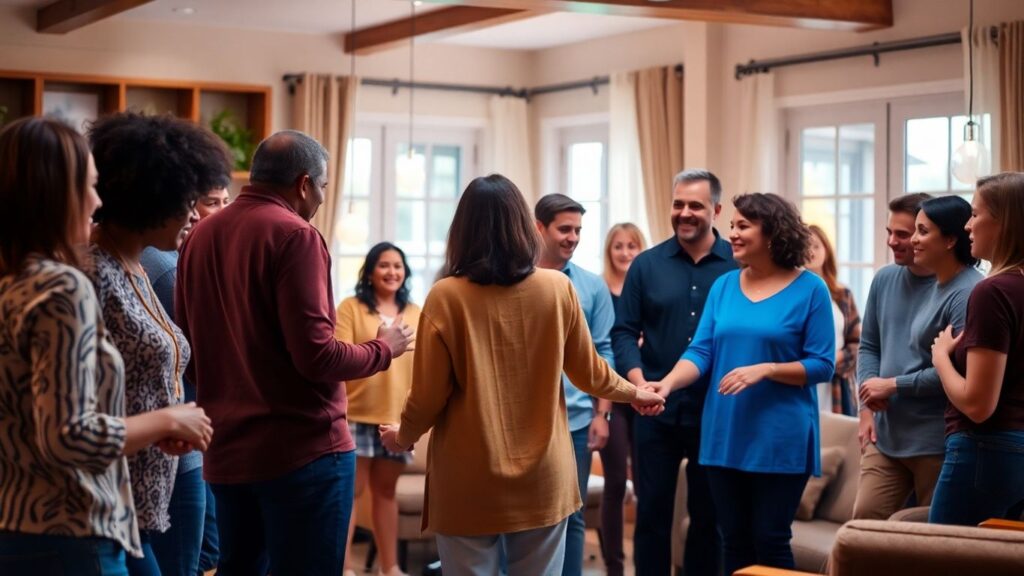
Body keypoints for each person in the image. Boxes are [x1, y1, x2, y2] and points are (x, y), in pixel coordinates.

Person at [378, 174, 665, 576]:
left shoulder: (446, 296)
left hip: (466, 479)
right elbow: (591, 372)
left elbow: (427, 395)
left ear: (462, 231)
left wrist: (402, 436)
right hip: (543, 478)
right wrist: (635, 392)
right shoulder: (556, 288)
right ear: (524, 227)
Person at [175, 130, 414, 576]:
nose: (323, 199)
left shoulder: (200, 235)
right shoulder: (296, 235)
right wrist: (384, 348)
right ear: (304, 183)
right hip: (302, 453)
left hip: (227, 449)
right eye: (323, 187)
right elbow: (317, 358)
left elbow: (186, 338)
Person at [0, 117, 211, 574]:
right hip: (74, 525)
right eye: (90, 186)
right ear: (56, 194)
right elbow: (68, 436)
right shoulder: (64, 286)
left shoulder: (14, 282)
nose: (98, 202)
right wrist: (166, 418)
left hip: (20, 520)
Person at [647, 192, 835, 574]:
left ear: (773, 234)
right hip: (725, 433)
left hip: (780, 437)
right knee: (732, 541)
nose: (731, 233)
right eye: (732, 225)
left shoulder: (810, 289)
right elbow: (701, 352)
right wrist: (666, 384)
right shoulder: (725, 286)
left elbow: (822, 364)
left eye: (743, 226)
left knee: (770, 540)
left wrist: (766, 369)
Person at [86, 112, 229, 576]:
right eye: (185, 200)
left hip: (161, 476)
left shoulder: (141, 268)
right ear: (150, 196)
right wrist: (167, 418)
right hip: (113, 492)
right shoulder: (94, 274)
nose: (194, 214)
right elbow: (80, 401)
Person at [611, 169, 734, 576]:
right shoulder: (645, 266)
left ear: (715, 209)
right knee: (651, 518)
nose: (685, 212)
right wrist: (636, 379)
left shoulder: (738, 266)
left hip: (716, 412)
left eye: (695, 205)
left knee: (708, 519)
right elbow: (624, 332)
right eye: (678, 203)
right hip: (654, 411)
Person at [854, 194, 982, 520]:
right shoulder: (885, 279)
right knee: (861, 530)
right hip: (885, 436)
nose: (897, 241)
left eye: (911, 232)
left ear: (948, 239)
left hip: (935, 441)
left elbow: (960, 374)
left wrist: (893, 385)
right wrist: (868, 394)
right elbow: (868, 345)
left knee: (926, 544)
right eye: (891, 232)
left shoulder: (967, 291)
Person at [140, 183, 231, 576]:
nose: (201, 214)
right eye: (210, 202)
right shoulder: (165, 266)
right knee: (195, 558)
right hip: (173, 446)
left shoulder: (169, 260)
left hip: (180, 441)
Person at [930, 172, 1024, 525]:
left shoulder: (992, 291)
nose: (968, 225)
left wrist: (941, 359)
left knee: (942, 562)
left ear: (1003, 222)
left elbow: (977, 405)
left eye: (975, 213)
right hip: (1015, 455)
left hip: (986, 450)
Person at [533, 193, 616, 576]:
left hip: (578, 421)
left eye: (578, 230)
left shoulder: (592, 287)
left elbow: (603, 353)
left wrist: (604, 414)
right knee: (520, 515)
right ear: (539, 228)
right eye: (564, 229)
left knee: (574, 512)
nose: (573, 237)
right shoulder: (515, 278)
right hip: (526, 421)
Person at [336, 242, 421, 576]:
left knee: (386, 494)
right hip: (355, 415)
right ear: (370, 272)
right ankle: (341, 568)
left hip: (396, 419)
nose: (392, 272)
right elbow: (341, 356)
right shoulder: (351, 308)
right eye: (384, 265)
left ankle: (391, 568)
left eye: (398, 266)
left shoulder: (416, 312)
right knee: (351, 495)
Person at [599, 222, 646, 576]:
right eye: (619, 246)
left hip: (643, 394)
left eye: (632, 246)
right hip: (609, 398)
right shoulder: (599, 289)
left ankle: (645, 561)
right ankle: (614, 565)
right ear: (609, 250)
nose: (626, 252)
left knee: (647, 483)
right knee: (615, 482)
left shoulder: (647, 287)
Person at [806, 225, 861, 416]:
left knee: (836, 441)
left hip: (836, 382)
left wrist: (835, 358)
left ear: (826, 251)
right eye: (804, 246)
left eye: (815, 246)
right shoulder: (790, 293)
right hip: (803, 378)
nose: (810, 252)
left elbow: (858, 342)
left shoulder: (842, 294)